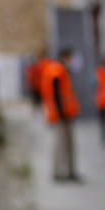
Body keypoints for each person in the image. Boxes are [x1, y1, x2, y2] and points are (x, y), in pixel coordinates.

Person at [40, 47, 81, 182]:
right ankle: (60, 172)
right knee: (61, 144)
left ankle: (67, 171)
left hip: (63, 114)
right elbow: (56, 93)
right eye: (70, 57)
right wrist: (61, 112)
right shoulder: (57, 70)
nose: (71, 61)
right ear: (65, 57)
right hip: (61, 115)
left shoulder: (58, 69)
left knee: (65, 143)